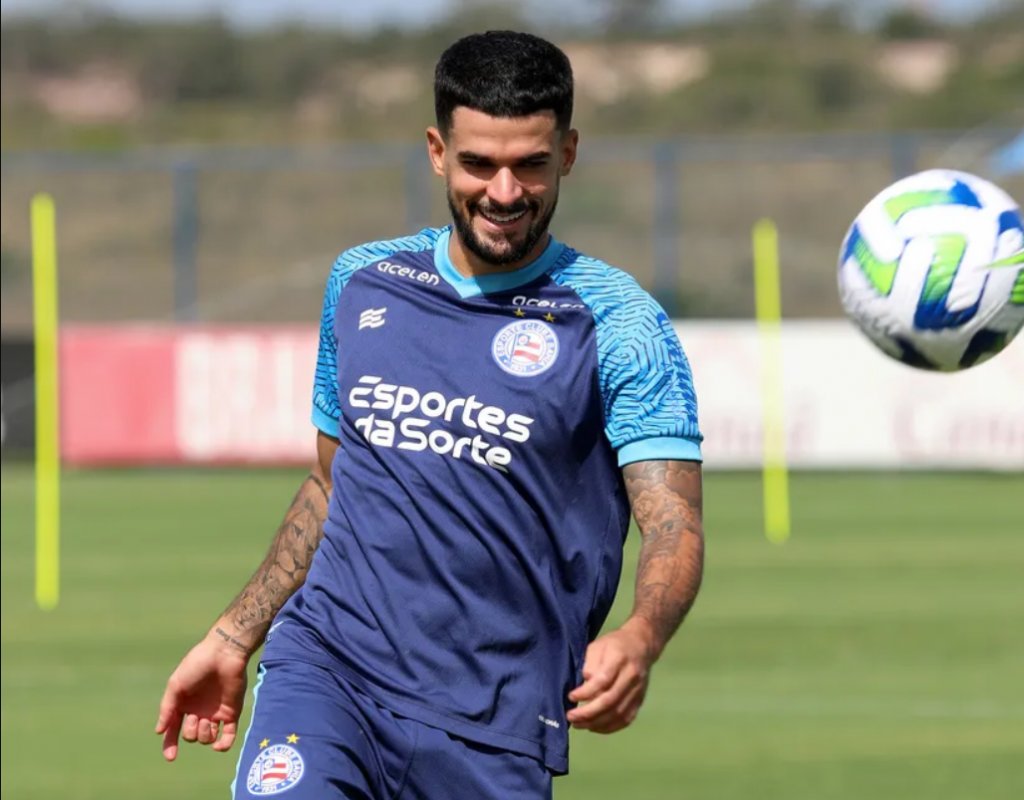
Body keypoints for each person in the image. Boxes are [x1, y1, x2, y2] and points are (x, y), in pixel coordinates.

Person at [155, 29, 704, 800]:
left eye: (531, 165)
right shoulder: (363, 282)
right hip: (328, 672)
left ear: (569, 153)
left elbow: (674, 522)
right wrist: (234, 634)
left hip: (497, 723)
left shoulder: (618, 322)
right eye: (480, 163)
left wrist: (642, 638)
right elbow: (330, 484)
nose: (505, 193)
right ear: (438, 151)